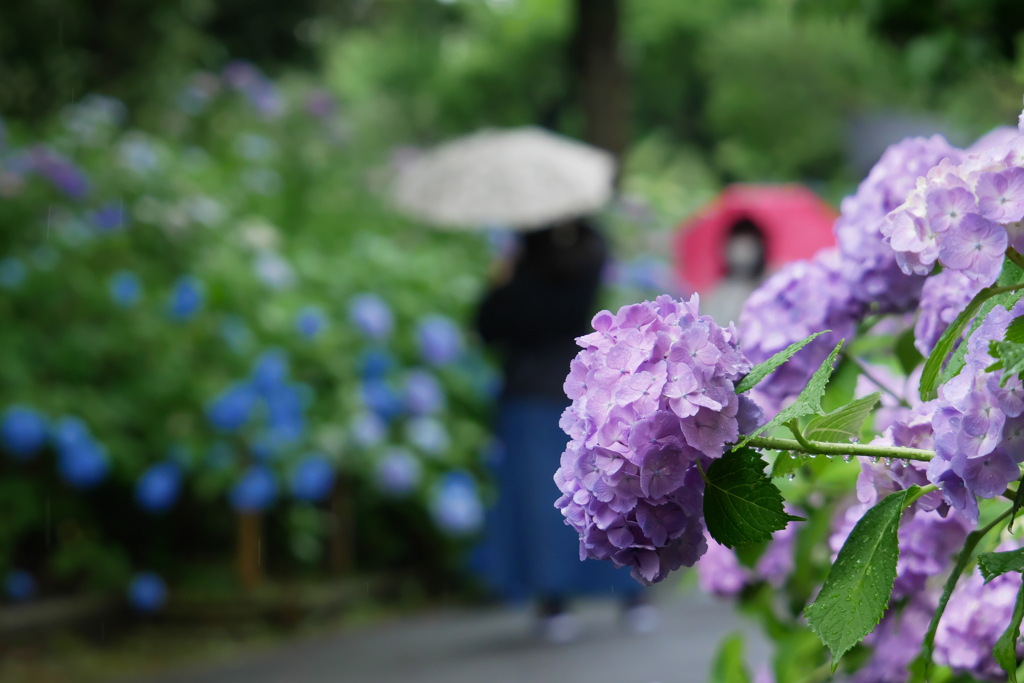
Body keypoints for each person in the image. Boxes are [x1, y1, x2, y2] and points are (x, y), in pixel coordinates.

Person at [473, 218, 654, 643]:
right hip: (587, 392)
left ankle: (553, 604)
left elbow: (486, 326)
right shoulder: (588, 258)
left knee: (542, 507)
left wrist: (503, 278)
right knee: (606, 492)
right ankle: (632, 594)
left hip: (529, 396)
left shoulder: (522, 275)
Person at [702, 217, 767, 326]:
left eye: (749, 245)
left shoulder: (766, 288)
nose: (742, 251)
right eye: (737, 243)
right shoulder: (716, 293)